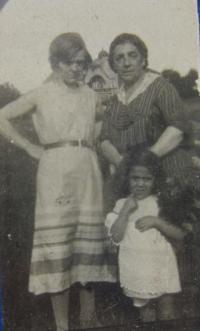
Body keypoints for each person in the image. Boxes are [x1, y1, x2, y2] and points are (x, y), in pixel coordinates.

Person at [0, 33, 115, 331]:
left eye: (81, 62)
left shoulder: (90, 95)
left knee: (87, 243)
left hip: (87, 168)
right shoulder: (41, 93)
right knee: (58, 245)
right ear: (55, 62)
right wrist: (29, 147)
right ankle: (62, 324)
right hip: (54, 170)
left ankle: (90, 319)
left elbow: (99, 126)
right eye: (69, 62)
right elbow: (2, 116)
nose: (76, 69)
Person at [100, 33, 197, 212]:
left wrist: (146, 159)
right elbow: (104, 139)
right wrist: (124, 164)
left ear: (143, 60)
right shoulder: (114, 102)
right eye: (119, 58)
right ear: (113, 65)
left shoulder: (160, 87)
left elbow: (177, 128)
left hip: (167, 170)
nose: (126, 62)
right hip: (131, 177)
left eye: (132, 55)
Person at [105, 149, 187, 321]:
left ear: (155, 180)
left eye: (147, 179)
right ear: (126, 178)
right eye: (135, 178)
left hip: (162, 266)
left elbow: (180, 234)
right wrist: (125, 212)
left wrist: (158, 222)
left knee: (167, 309)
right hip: (137, 269)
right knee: (146, 311)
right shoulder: (121, 204)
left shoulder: (161, 202)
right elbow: (116, 237)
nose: (140, 184)